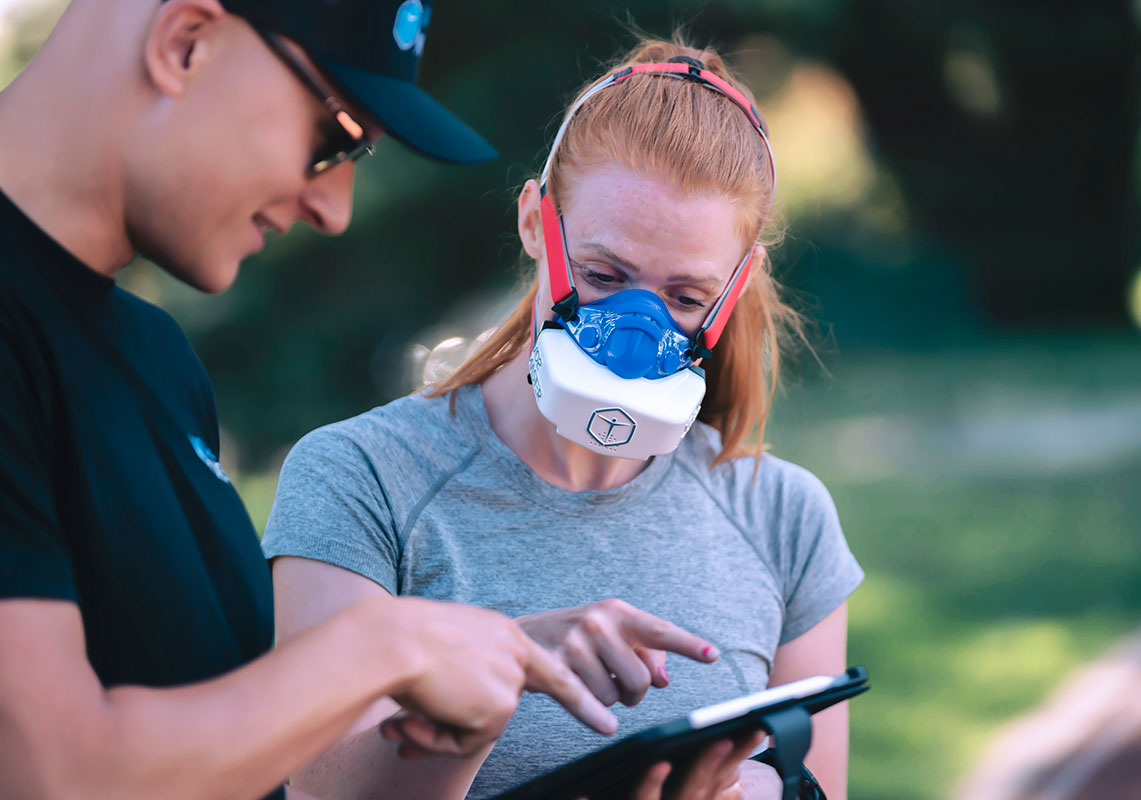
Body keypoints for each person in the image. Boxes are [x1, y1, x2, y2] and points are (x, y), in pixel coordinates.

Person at [0, 2, 631, 798]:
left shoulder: (155, 358)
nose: (336, 211)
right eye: (334, 138)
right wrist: (385, 646)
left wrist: (468, 652)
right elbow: (49, 773)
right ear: (185, 43)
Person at [264, 35, 865, 800]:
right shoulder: (362, 478)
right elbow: (324, 792)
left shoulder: (785, 518)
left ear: (735, 289)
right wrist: (494, 672)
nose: (636, 330)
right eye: (603, 274)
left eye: (684, 299)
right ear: (532, 225)